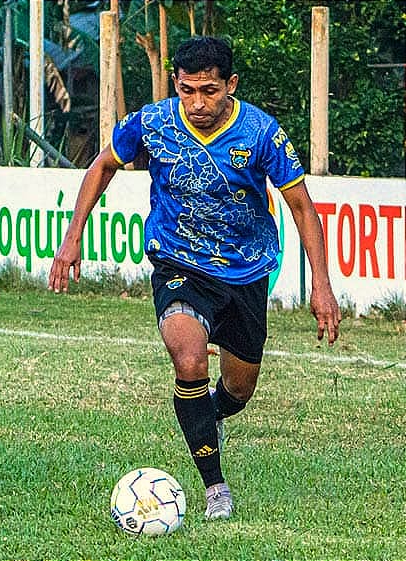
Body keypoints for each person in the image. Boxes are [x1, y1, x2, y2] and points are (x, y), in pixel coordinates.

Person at [48, 36, 341, 520]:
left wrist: (322, 285)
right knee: (187, 357)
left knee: (238, 390)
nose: (198, 103)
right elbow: (102, 166)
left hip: (246, 271)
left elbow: (302, 208)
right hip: (178, 263)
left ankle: (210, 415)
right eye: (187, 91)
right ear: (176, 85)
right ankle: (215, 488)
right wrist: (72, 236)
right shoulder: (153, 123)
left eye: (209, 91)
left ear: (231, 84)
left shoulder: (261, 133)